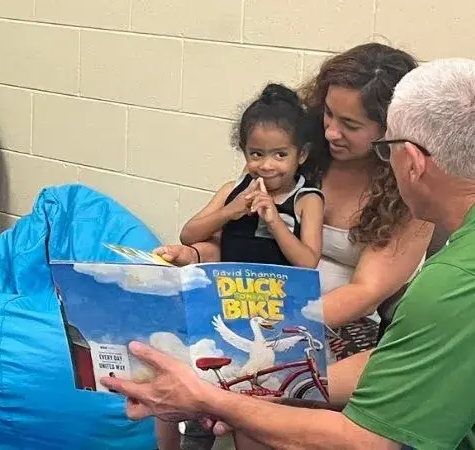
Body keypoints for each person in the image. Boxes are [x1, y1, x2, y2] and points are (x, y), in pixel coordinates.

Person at [107, 58, 475, 449]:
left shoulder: (463, 280)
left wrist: (211, 399)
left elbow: (361, 442)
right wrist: (261, 380)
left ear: (412, 161)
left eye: (379, 144)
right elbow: (395, 367)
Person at [157, 42, 434, 365]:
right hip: (249, 304)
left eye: (350, 125)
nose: (331, 132)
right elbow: (235, 239)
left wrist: (280, 321)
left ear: (392, 128)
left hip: (334, 324)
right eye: (328, 114)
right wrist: (193, 256)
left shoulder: (411, 191)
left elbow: (364, 293)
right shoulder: (291, 152)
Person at [173, 83, 330, 270]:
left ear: (302, 154)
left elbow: (308, 262)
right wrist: (230, 210)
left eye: (280, 155)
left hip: (279, 296)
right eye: (256, 154)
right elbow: (188, 235)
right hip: (228, 291)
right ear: (244, 150)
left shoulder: (307, 200)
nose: (266, 165)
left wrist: (274, 222)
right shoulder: (233, 190)